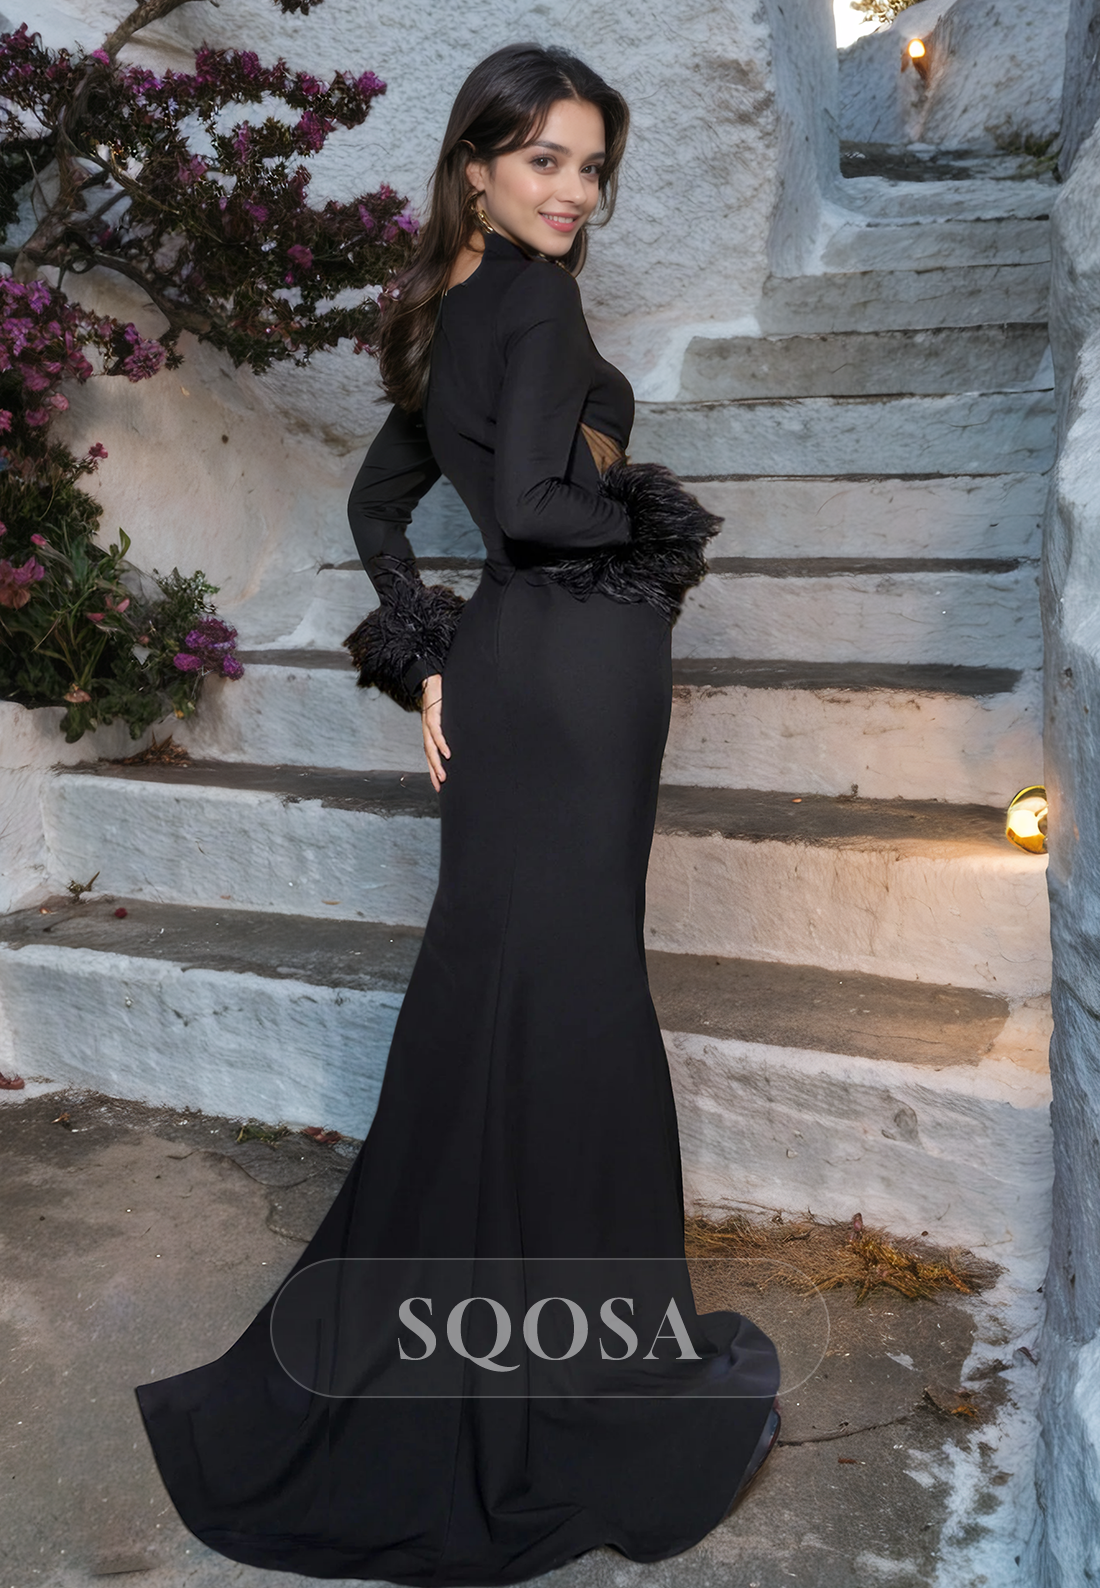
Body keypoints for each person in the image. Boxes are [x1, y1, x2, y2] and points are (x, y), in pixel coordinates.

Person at [135, 42, 781, 1585]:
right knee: (576, 1004)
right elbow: (548, 512)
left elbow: (380, 508)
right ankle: (591, 1366)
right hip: (582, 672)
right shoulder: (538, 302)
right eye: (546, 159)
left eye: (593, 167)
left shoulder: (437, 314)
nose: (576, 193)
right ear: (476, 162)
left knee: (501, 1001)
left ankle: (455, 1328)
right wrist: (647, 516)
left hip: (507, 669)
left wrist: (434, 652)